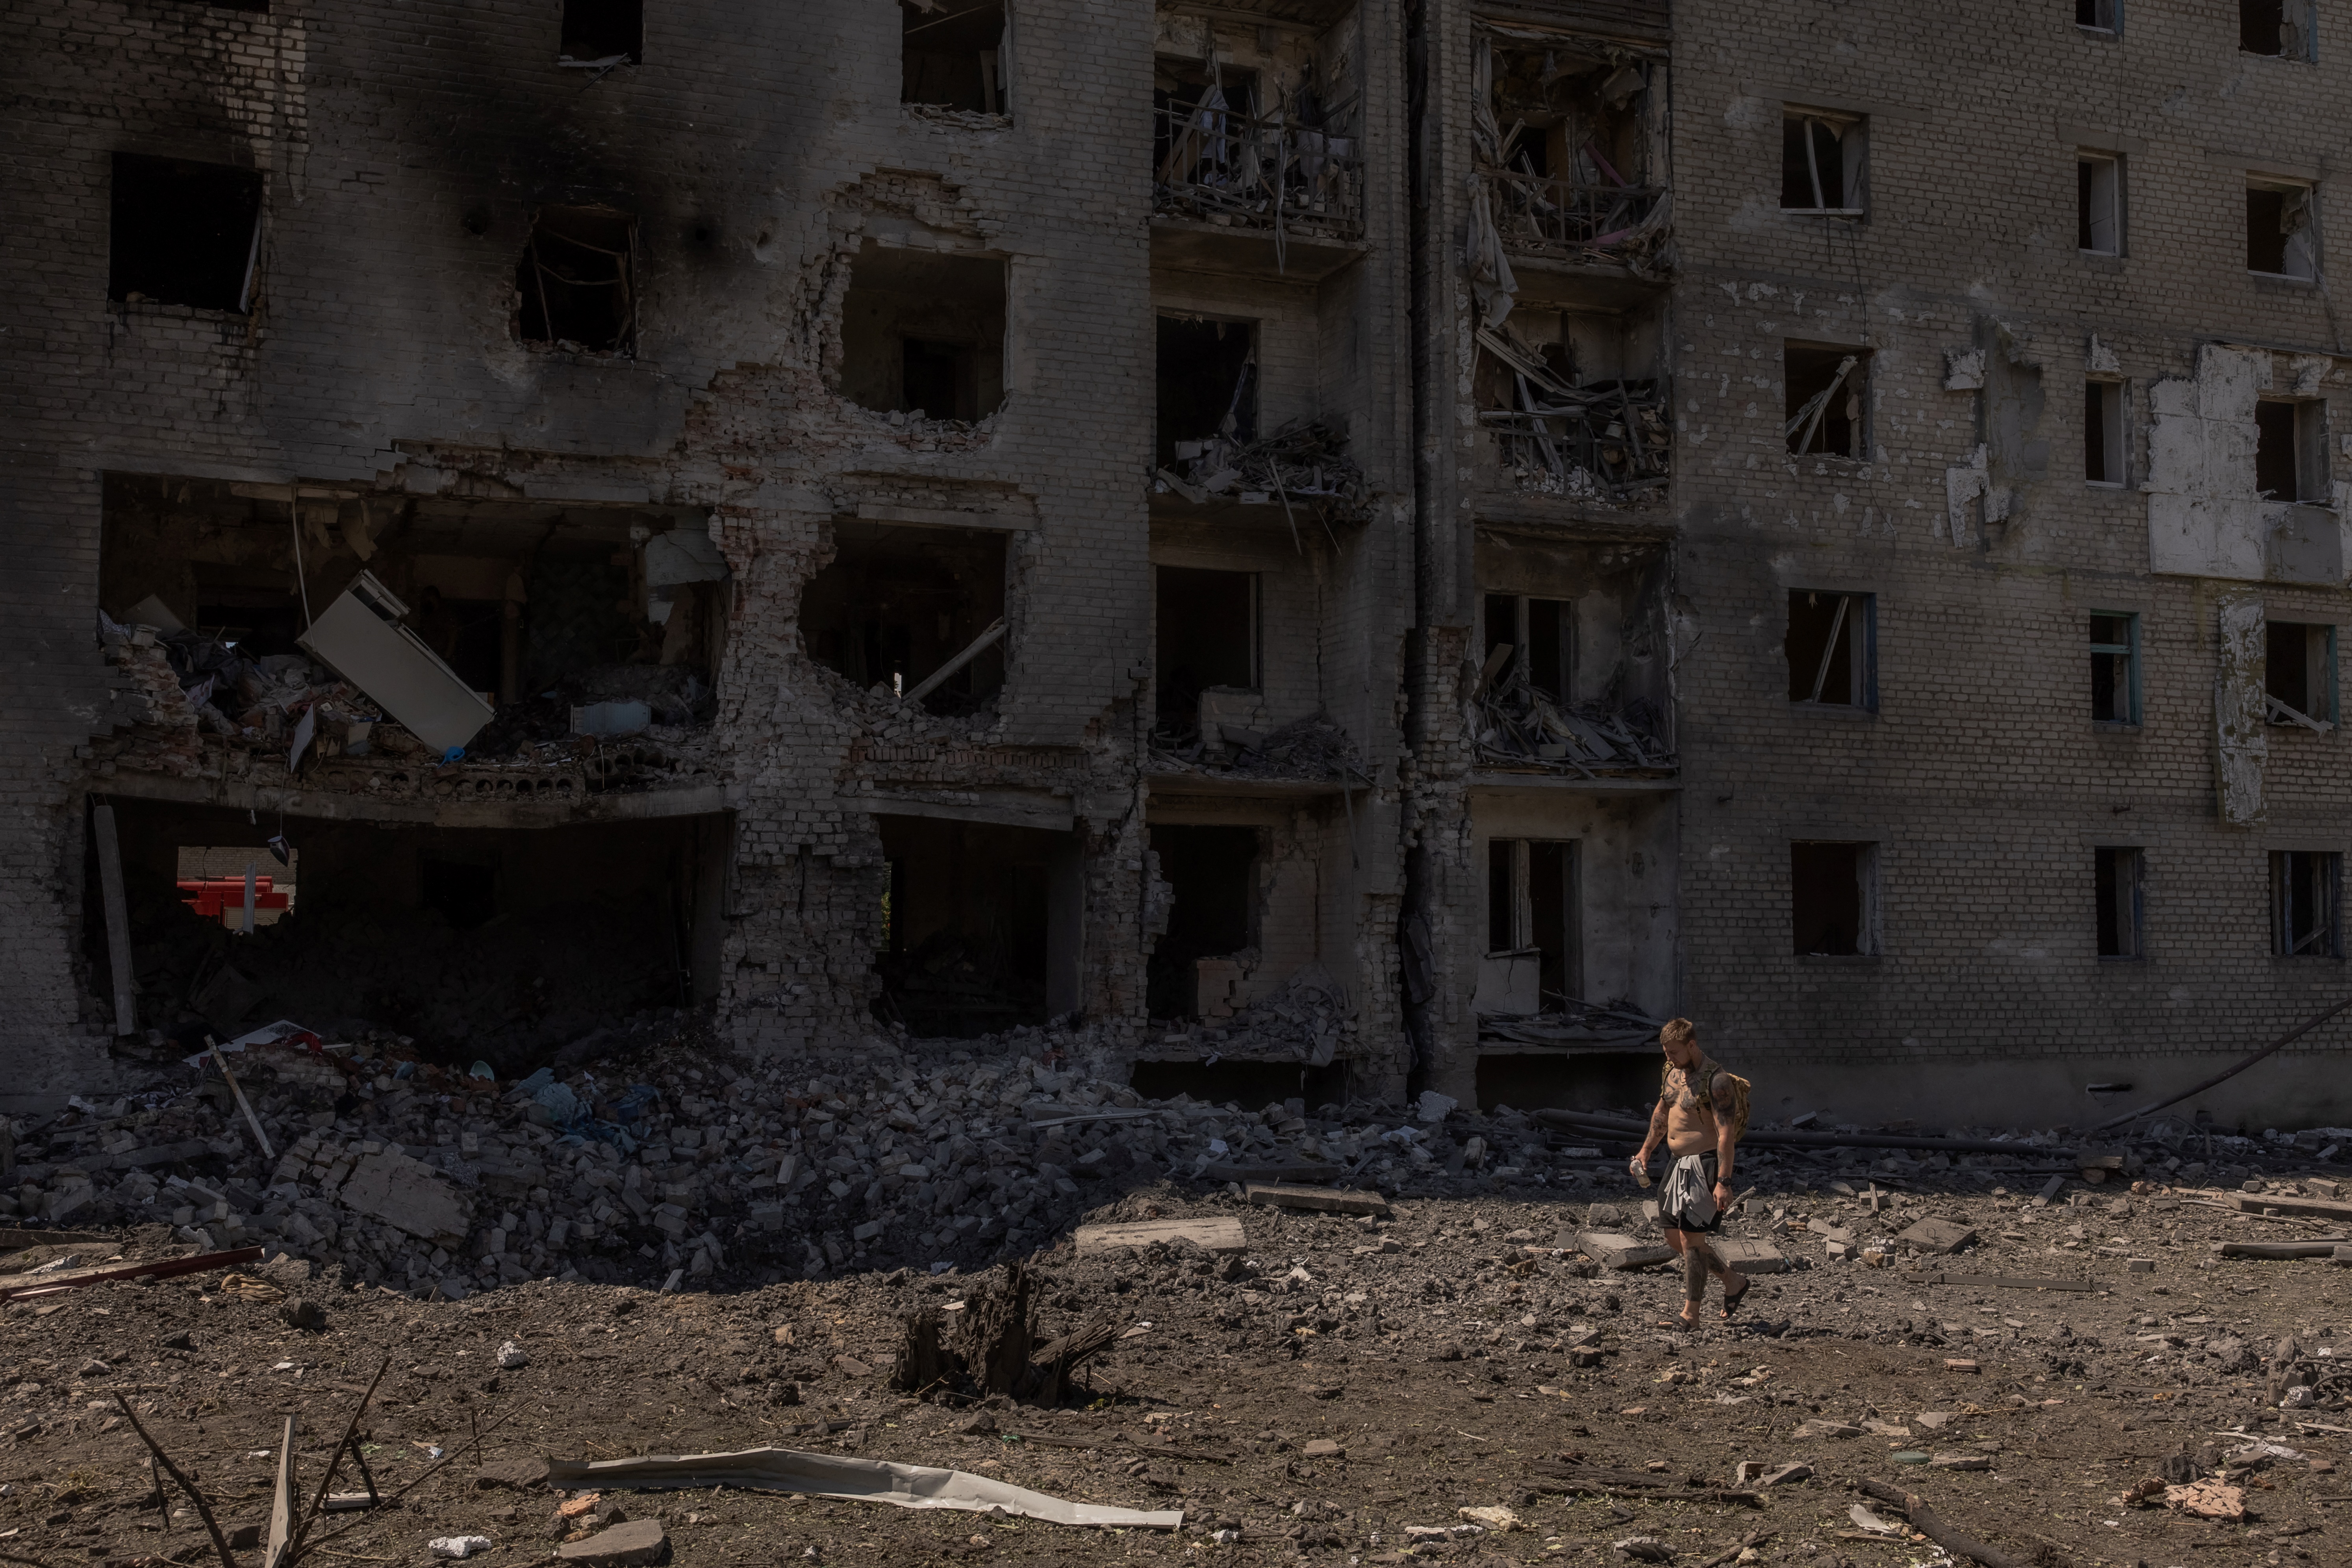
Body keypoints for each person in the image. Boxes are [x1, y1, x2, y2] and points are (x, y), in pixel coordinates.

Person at [1629, 1017, 1748, 1326]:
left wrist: (1723, 1182)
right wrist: (1645, 1151)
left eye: (1674, 1052)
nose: (1669, 1057)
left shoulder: (1717, 1081)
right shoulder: (1672, 1073)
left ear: (1692, 1045)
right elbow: (1662, 1113)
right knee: (1674, 1238)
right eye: (1666, 1052)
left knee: (1692, 1240)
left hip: (1704, 1164)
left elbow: (1725, 1135)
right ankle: (1733, 1282)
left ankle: (1690, 1314)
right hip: (1676, 1164)